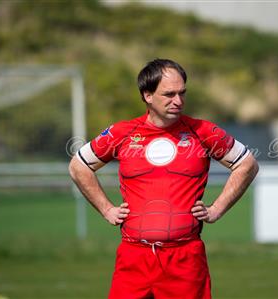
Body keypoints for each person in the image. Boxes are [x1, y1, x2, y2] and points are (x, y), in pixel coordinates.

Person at [69, 58, 259, 299]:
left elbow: (247, 164)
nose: (178, 101)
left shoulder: (202, 132)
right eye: (169, 94)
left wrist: (217, 209)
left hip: (185, 260)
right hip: (134, 259)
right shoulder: (122, 133)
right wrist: (106, 209)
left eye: (182, 93)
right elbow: (79, 166)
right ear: (147, 95)